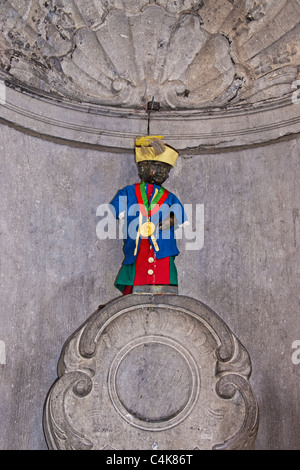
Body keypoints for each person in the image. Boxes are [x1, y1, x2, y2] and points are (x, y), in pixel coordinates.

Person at [110, 136, 188, 294]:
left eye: (166, 170)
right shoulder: (129, 192)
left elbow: (179, 215)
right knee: (136, 280)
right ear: (143, 168)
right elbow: (117, 207)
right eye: (157, 167)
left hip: (163, 250)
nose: (161, 173)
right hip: (138, 246)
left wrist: (167, 222)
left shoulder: (169, 197)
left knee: (165, 283)